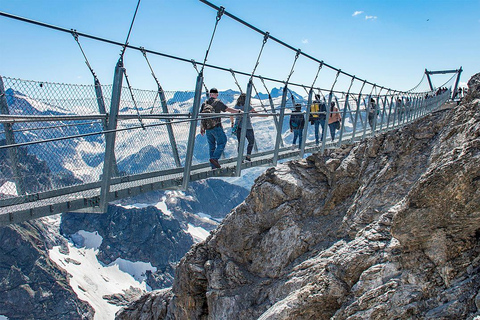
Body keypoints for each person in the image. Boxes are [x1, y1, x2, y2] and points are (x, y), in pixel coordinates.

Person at [200, 88, 242, 169]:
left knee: (211, 146)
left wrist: (202, 128)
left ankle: (213, 166)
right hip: (217, 127)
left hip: (207, 128)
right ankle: (214, 159)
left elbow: (202, 116)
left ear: (210, 94)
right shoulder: (217, 102)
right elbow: (227, 109)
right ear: (217, 94)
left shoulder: (204, 104)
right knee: (222, 142)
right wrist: (238, 111)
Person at [232, 93, 258, 162]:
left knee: (240, 143)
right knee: (251, 141)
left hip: (239, 127)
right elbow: (256, 113)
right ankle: (248, 156)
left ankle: (240, 158)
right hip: (248, 127)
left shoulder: (236, 106)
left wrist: (232, 123)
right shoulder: (248, 106)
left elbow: (231, 114)